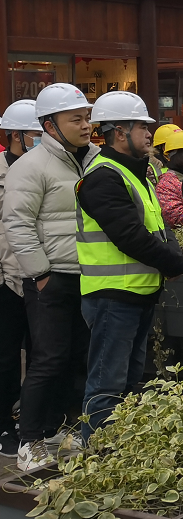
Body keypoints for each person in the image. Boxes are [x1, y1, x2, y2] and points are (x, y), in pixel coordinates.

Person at [76, 92, 183, 440]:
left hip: (137, 293)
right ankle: (94, 450)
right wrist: (173, 262)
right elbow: (130, 236)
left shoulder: (136, 172)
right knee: (107, 383)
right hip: (112, 296)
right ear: (119, 132)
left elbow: (159, 226)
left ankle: (118, 447)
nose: (150, 133)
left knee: (128, 379)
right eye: (142, 126)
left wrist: (170, 256)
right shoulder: (104, 176)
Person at [4, 83, 97, 471]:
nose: (86, 125)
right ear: (49, 125)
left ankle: (57, 428)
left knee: (76, 355)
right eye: (75, 118)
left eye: (88, 117)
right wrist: (40, 274)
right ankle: (29, 440)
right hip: (51, 278)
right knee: (47, 358)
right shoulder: (32, 165)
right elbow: (17, 224)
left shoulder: (92, 159)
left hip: (88, 274)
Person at [0, 100, 40, 455]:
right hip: (5, 279)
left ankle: (32, 417)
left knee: (44, 351)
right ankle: (4, 424)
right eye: (35, 134)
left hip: (37, 275)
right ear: (15, 135)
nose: (40, 139)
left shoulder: (43, 168)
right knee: (7, 355)